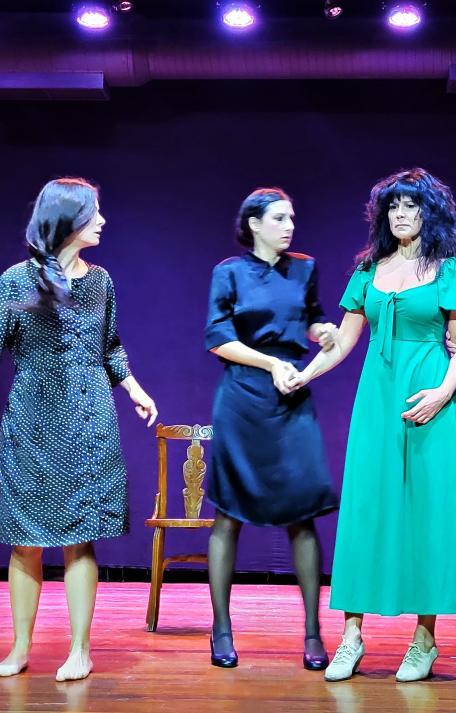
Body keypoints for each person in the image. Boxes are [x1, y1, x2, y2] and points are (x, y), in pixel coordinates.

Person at [0, 177, 157, 681]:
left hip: (89, 420)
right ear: (67, 219)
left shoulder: (101, 281)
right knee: (25, 539)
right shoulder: (16, 281)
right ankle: (20, 647)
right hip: (32, 420)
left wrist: (134, 388)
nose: (103, 220)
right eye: (94, 212)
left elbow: (110, 346)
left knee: (80, 538)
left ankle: (80, 650)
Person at [290, 168, 456, 683]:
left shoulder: (450, 270)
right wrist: (304, 374)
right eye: (393, 206)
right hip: (376, 402)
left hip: (429, 400)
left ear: (430, 213)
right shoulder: (368, 270)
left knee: (429, 512)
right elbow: (343, 341)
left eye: (410, 206)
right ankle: (351, 636)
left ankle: (424, 639)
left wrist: (442, 393)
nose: (400, 214)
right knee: (366, 508)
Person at [203, 188, 339, 670]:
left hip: (291, 395)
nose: (289, 226)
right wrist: (269, 363)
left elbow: (312, 317)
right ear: (254, 224)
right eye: (279, 218)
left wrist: (322, 331)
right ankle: (221, 629)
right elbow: (217, 337)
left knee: (303, 512)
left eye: (292, 218)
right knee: (228, 513)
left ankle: (313, 632)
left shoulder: (304, 267)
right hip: (243, 396)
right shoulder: (229, 272)